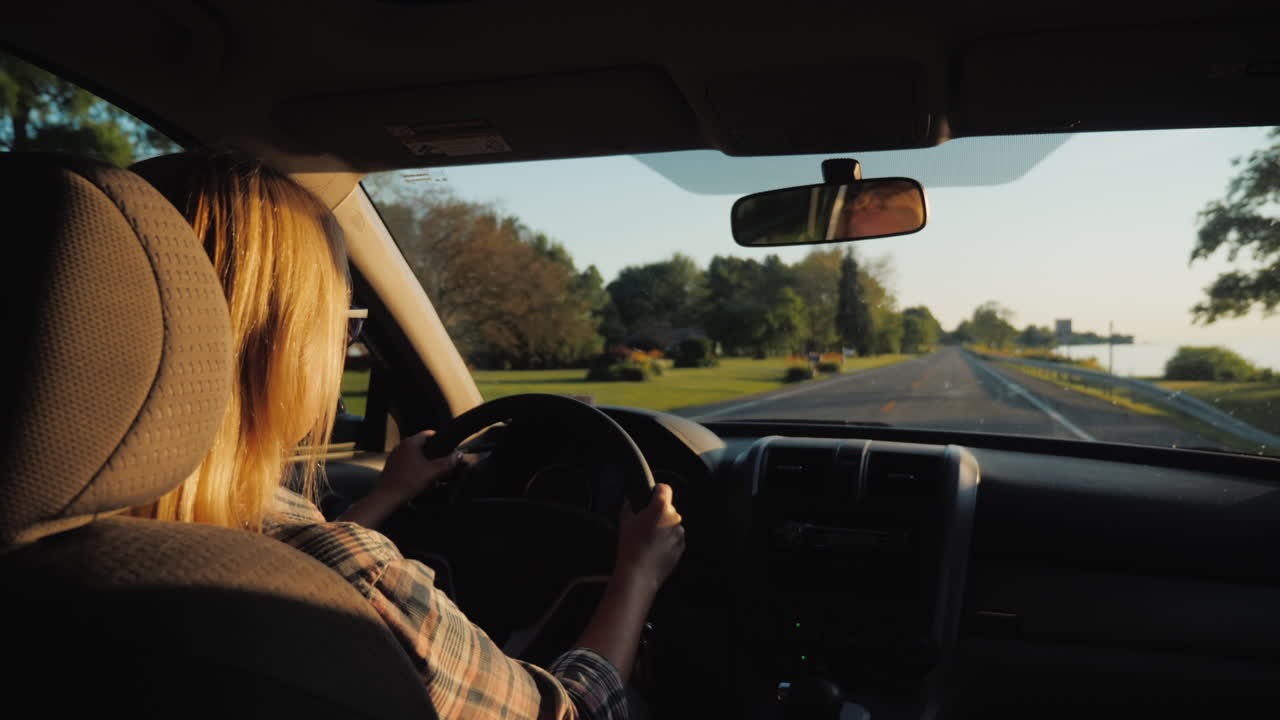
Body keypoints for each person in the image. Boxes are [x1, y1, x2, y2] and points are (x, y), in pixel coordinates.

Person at [127, 150, 684, 720]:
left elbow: (296, 561)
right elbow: (574, 713)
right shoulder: (358, 582)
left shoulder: (102, 537)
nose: (344, 350)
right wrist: (638, 574)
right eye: (344, 326)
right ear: (281, 344)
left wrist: (387, 495)